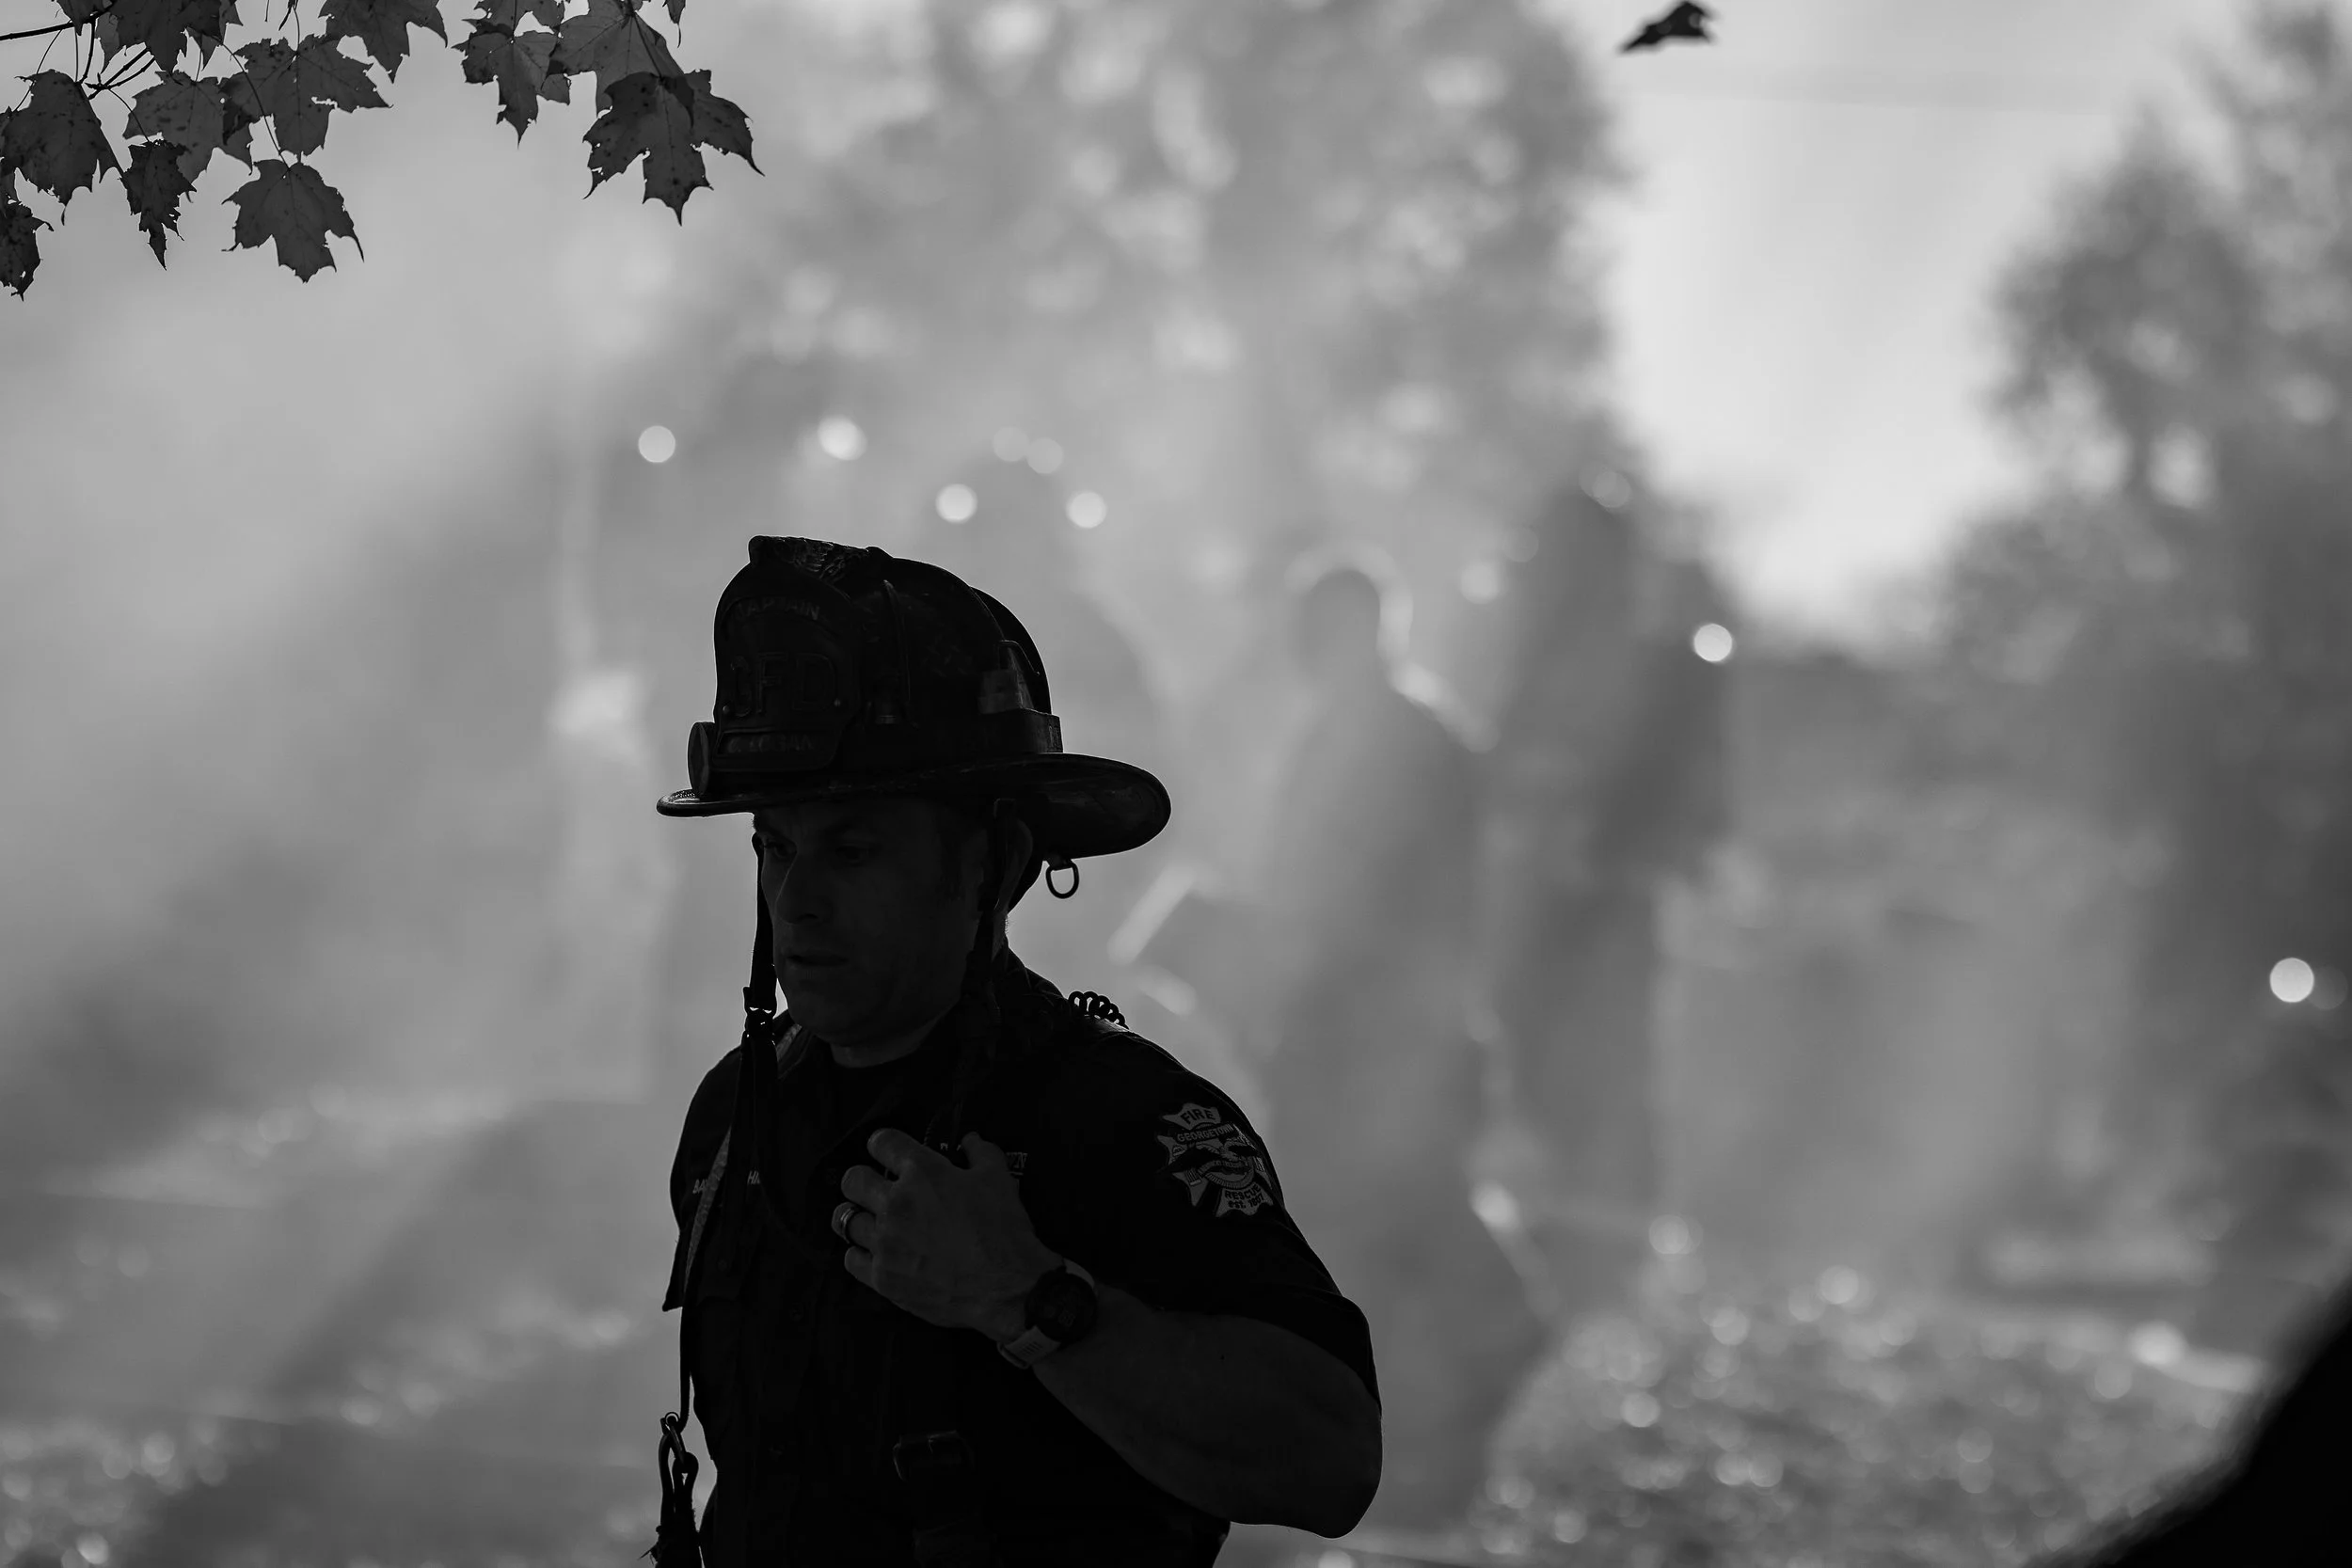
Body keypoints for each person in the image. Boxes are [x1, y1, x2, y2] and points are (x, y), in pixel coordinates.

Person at [649, 536, 1381, 1567]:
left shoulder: (1125, 1122)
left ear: (995, 861)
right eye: (775, 844)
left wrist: (1027, 1298)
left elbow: (1331, 1459)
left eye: (852, 848)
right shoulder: (737, 1116)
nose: (798, 898)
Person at [1249, 548, 1547, 1531]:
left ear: (1367, 630)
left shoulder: (1419, 746)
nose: (1301, 655)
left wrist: (1422, 1024)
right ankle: (1385, 1436)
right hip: (1336, 1032)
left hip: (1389, 1034)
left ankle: (1495, 1356)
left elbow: (1425, 912)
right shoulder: (1330, 741)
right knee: (1345, 1227)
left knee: (1404, 1211)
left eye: (1315, 632)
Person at [1484, 480, 1729, 1315]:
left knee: (1608, 1104)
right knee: (1536, 1096)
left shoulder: (1669, 673)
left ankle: (1611, 1292)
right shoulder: (1527, 674)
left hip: (1608, 932)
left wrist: (1601, 850)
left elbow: (1697, 817)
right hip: (1528, 929)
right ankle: (1546, 1279)